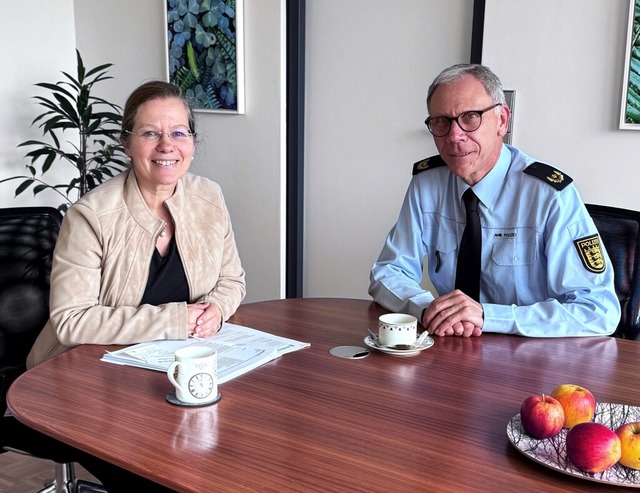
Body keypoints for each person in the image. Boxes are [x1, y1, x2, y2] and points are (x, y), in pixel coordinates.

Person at [10, 80, 245, 491]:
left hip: (169, 366)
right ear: (126, 143)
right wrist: (176, 319)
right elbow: (71, 321)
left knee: (233, 450)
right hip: (84, 373)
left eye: (178, 133)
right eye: (150, 133)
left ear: (192, 141)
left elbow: (232, 279)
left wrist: (218, 309)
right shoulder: (92, 215)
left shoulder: (209, 197)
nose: (166, 146)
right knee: (156, 475)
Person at [369, 63, 620, 338]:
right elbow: (389, 270)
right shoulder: (427, 183)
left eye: (470, 117)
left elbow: (599, 310)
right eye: (441, 121)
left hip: (529, 353)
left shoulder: (549, 194)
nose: (454, 136)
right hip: (450, 347)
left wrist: (489, 316)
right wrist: (431, 309)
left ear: (502, 120)